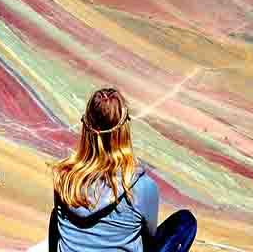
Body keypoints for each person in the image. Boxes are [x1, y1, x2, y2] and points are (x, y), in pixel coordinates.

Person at [50, 88, 197, 252]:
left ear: (86, 127)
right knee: (185, 222)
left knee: (55, 217)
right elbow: (149, 237)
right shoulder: (142, 188)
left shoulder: (64, 180)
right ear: (123, 131)